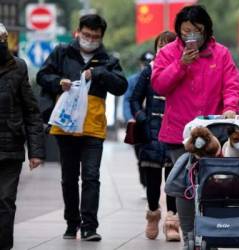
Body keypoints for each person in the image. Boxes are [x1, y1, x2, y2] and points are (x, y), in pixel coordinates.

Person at [151, 5, 239, 248]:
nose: (191, 36)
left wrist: (231, 107)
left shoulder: (221, 54)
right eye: (186, 31)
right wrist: (180, 64)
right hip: (179, 133)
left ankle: (213, 231)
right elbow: (159, 85)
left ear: (206, 30)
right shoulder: (169, 53)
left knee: (214, 182)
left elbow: (232, 85)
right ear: (179, 31)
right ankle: (189, 235)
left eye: (197, 31)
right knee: (185, 185)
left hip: (214, 133)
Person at [36, 14, 128, 241]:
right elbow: (42, 76)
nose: (89, 39)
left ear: (101, 37)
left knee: (90, 176)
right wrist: (60, 82)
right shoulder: (62, 52)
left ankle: (89, 227)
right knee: (69, 177)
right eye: (86, 34)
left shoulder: (107, 60)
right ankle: (71, 223)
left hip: (93, 128)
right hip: (66, 126)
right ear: (78, 31)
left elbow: (121, 86)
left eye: (95, 36)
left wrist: (97, 73)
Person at [130, 31, 180, 241]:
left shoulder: (183, 70)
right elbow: (134, 99)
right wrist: (142, 118)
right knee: (152, 181)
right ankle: (153, 216)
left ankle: (172, 223)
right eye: (161, 44)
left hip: (175, 132)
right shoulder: (149, 71)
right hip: (151, 133)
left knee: (173, 180)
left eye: (170, 44)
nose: (165, 48)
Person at [0, 23, 45, 250]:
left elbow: (31, 111)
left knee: (5, 201)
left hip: (10, 147)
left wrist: (36, 151)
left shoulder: (18, 67)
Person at [123, 51, 154, 194]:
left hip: (154, 122)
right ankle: (145, 183)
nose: (147, 66)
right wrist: (130, 118)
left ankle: (152, 185)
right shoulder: (133, 80)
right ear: (141, 64)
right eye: (145, 63)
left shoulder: (158, 77)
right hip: (138, 121)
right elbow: (128, 100)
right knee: (140, 153)